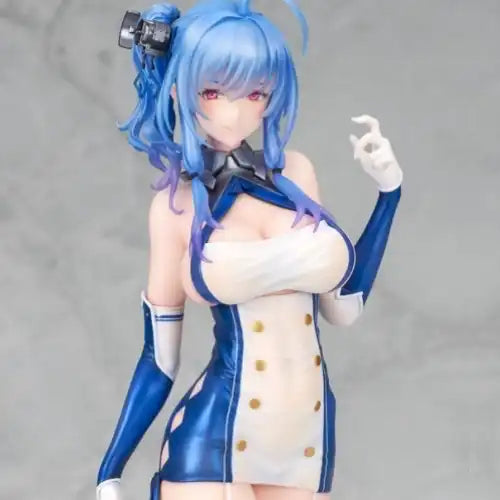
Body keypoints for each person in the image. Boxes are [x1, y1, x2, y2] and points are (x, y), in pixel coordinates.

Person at [96, 1, 403, 499]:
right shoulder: (175, 205)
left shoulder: (296, 175)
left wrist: (389, 194)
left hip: (307, 435)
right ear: (178, 86)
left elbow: (344, 308)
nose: (236, 111)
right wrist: (111, 469)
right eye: (213, 91)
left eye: (256, 92)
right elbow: (160, 358)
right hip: (215, 436)